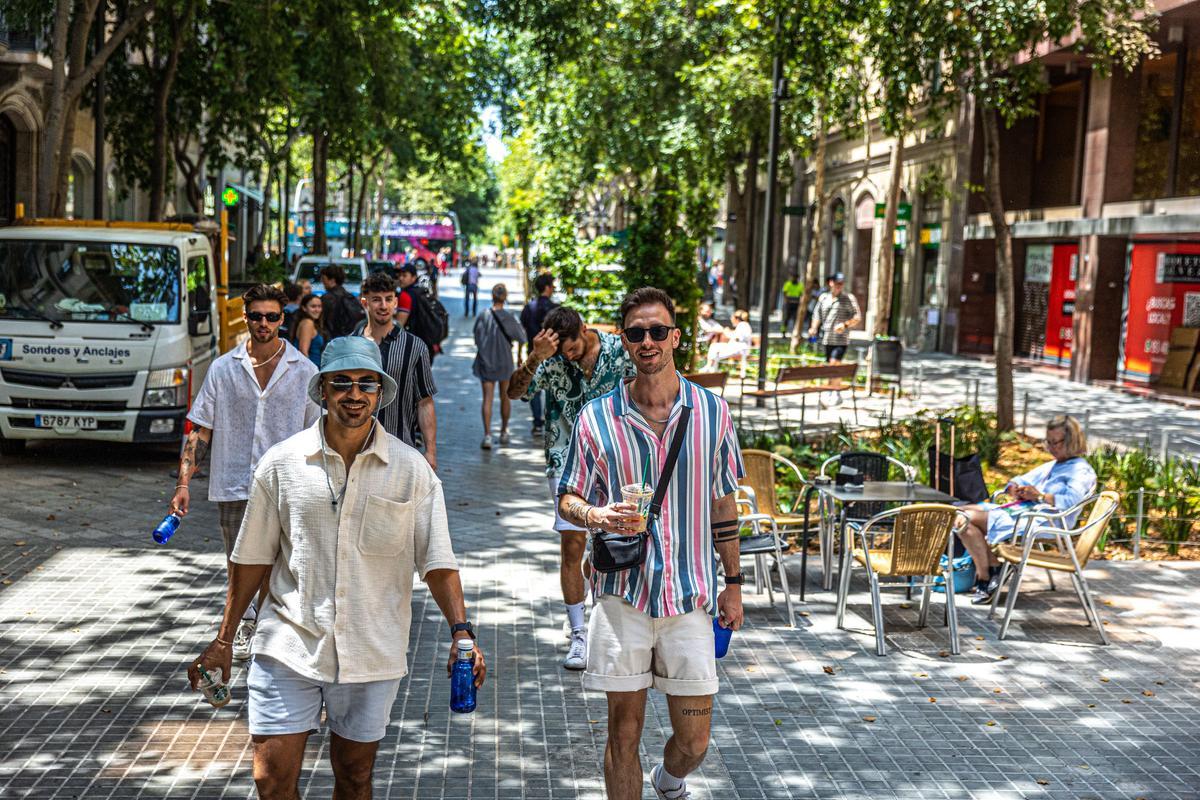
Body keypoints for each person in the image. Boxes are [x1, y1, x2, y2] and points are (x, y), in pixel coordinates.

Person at [187, 336, 485, 799]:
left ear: (380, 394)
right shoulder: (281, 463)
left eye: (366, 384)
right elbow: (251, 558)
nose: (354, 393)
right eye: (341, 382)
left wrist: (461, 631)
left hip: (372, 649)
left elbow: (438, 561)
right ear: (322, 391)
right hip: (287, 641)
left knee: (354, 777)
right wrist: (224, 639)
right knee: (270, 778)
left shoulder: (412, 471)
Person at [557, 287, 745, 800]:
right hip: (623, 596)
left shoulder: (712, 413)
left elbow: (723, 504)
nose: (648, 341)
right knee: (623, 735)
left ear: (675, 338)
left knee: (695, 740)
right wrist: (595, 514)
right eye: (636, 333)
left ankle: (669, 780)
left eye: (657, 331)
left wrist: (734, 584)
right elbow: (566, 498)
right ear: (625, 340)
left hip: (690, 596)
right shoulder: (597, 417)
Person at [170, 284, 320, 662]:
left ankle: (268, 627)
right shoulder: (224, 369)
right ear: (246, 317)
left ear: (283, 320)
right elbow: (200, 429)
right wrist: (184, 482)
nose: (264, 323)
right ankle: (244, 623)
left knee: (281, 561)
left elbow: (318, 433)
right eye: (256, 316)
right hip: (235, 483)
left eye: (272, 317)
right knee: (240, 565)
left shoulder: (305, 372)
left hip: (288, 485)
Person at [506, 306, 633, 670]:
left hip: (613, 462)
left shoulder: (617, 352)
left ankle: (590, 609)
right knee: (572, 545)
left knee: (607, 545)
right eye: (560, 349)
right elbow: (516, 392)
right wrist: (534, 357)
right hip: (566, 462)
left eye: (572, 346)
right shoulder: (550, 360)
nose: (568, 354)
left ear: (583, 328)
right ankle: (580, 635)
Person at [957, 415, 1097, 604]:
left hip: (1044, 522)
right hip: (1025, 513)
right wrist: (1014, 487)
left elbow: (1071, 501)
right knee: (958, 513)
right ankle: (991, 568)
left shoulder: (1080, 470)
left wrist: (1039, 496)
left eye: (1057, 442)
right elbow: (1023, 479)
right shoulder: (1055, 464)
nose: (1052, 447)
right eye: (1049, 442)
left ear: (1072, 440)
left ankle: (986, 574)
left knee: (963, 517)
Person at [355, 272, 438, 470]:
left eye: (388, 299)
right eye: (376, 300)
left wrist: (431, 452)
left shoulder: (415, 346)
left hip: (399, 450)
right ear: (364, 303)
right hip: (354, 452)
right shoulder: (350, 345)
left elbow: (425, 401)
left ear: (395, 303)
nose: (383, 306)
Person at [473, 283, 527, 449]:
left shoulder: (484, 315)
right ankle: (504, 431)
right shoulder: (509, 316)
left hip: (486, 360)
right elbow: (522, 337)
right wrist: (518, 355)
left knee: (487, 398)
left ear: (492, 296)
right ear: (505, 297)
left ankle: (487, 435)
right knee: (505, 397)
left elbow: (477, 336)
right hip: (505, 361)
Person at [519, 273, 559, 436]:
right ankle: (552, 422)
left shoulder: (529, 308)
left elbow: (523, 331)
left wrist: (520, 355)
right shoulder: (556, 309)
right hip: (553, 356)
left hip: (533, 354)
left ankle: (537, 422)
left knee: (534, 389)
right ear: (548, 288)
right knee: (553, 389)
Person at [807, 272, 860, 363]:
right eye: (837, 283)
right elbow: (817, 315)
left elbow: (857, 317)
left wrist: (845, 325)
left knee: (834, 363)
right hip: (826, 339)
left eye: (841, 283)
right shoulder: (823, 297)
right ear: (831, 283)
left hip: (841, 340)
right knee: (831, 368)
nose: (839, 285)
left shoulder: (848, 298)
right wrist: (813, 328)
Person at [395, 262, 443, 361]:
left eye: (405, 276)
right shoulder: (420, 291)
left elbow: (398, 326)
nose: (401, 278)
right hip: (426, 345)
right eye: (400, 275)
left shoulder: (405, 296)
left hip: (412, 347)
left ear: (413, 277)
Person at [318, 264, 365, 338]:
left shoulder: (327, 298)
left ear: (332, 280)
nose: (322, 281)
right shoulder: (350, 296)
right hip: (349, 338)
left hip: (331, 339)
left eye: (324, 278)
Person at [291, 293, 326, 366]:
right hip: (311, 371)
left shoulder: (309, 322)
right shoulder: (307, 323)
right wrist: (310, 372)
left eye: (319, 306)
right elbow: (303, 351)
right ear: (304, 308)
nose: (317, 310)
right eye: (313, 306)